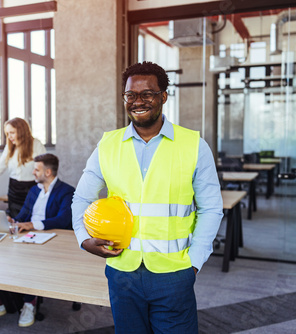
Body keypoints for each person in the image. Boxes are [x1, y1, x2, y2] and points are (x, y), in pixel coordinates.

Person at [72, 61, 223, 334]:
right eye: (131, 95)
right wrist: (84, 239)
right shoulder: (107, 145)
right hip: (122, 271)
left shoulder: (193, 145)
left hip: (175, 272)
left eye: (148, 94)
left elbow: (211, 208)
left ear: (163, 96)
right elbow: (81, 199)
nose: (138, 101)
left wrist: (195, 263)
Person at [9, 153, 75, 327]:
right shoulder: (33, 190)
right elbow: (23, 214)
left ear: (47, 172)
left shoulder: (66, 191)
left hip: (54, 239)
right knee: (6, 255)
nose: (33, 173)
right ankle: (0, 299)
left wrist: (32, 225)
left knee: (31, 261)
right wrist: (13, 221)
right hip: (31, 237)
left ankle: (29, 304)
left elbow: (63, 220)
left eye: (36, 169)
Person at [0, 117, 46, 218]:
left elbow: (44, 170)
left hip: (32, 188)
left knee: (31, 220)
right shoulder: (9, 147)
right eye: (7, 133)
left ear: (22, 131)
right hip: (14, 190)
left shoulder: (37, 145)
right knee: (15, 222)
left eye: (12, 133)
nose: (9, 137)